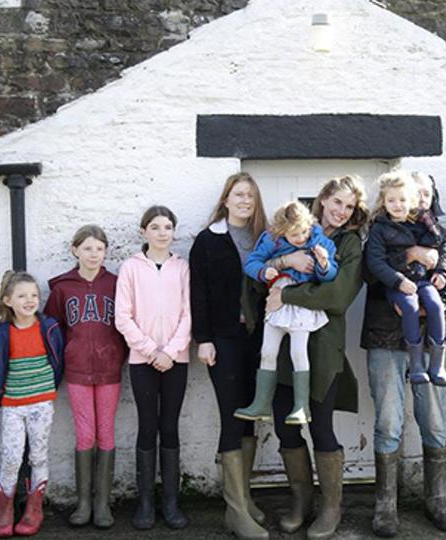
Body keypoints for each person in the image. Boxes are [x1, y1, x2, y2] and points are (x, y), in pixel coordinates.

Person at [256, 175, 368, 540]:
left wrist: (287, 297)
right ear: (323, 199)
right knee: (285, 424)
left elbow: (337, 297)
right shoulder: (294, 229)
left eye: (349, 206)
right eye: (336, 202)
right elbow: (262, 276)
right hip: (283, 346)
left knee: (320, 426)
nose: (341, 211)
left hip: (323, 349)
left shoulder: (350, 244)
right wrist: (287, 258)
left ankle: (331, 507)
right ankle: (301, 500)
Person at [362, 171, 446, 537]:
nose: (420, 197)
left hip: (430, 346)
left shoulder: (444, 238)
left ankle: (437, 500)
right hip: (385, 339)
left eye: (426, 192)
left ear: (431, 196)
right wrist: (407, 256)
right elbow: (370, 274)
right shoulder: (381, 230)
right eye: (414, 191)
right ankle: (385, 507)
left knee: (434, 422)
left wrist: (436, 301)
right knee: (389, 423)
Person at [189, 173, 270, 540]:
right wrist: (203, 339)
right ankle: (234, 511)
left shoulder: (264, 237)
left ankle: (246, 498)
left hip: (258, 338)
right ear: (225, 199)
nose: (245, 201)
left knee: (252, 416)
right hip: (223, 339)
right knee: (232, 417)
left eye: (250, 196)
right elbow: (198, 294)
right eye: (239, 195)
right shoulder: (208, 240)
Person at [44, 225, 127, 529]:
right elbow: (53, 330)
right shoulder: (62, 289)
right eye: (88, 248)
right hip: (77, 370)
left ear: (106, 252)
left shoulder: (117, 284)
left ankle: (103, 504)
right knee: (84, 434)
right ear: (75, 250)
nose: (94, 254)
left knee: (106, 432)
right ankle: (83, 503)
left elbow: (127, 322)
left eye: (100, 248)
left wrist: (120, 354)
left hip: (109, 370)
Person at [115, 205, 192, 530]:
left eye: (168, 227)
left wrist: (171, 352)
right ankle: (145, 503)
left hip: (176, 360)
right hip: (142, 361)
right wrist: (150, 351)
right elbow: (123, 316)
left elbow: (189, 314)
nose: (163, 233)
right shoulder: (130, 267)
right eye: (156, 227)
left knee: (170, 426)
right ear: (144, 231)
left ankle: (171, 502)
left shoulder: (182, 268)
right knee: (147, 425)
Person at [234, 201, 337, 425]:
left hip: (301, 302)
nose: (300, 238)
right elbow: (251, 263)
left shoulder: (319, 241)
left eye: (303, 232)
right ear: (282, 231)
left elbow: (329, 275)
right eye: (293, 234)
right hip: (277, 300)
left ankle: (302, 406)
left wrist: (323, 263)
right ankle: (261, 403)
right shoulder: (272, 239)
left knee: (298, 353)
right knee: (267, 350)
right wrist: (264, 270)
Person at [0, 271, 64, 538]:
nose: (30, 301)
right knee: (10, 457)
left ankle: (34, 508)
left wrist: (48, 389)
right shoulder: (0, 332)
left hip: (41, 403)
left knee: (38, 455)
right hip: (12, 405)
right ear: (8, 300)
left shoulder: (48, 327)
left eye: (34, 295)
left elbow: (57, 363)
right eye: (22, 296)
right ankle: (5, 508)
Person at [365, 171, 446, 387]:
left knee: (435, 304)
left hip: (422, 280)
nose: (397, 205)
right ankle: (416, 366)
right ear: (383, 201)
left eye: (403, 199)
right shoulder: (379, 228)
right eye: (391, 200)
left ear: (411, 200)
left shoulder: (425, 223)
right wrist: (399, 278)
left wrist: (442, 271)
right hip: (398, 284)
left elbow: (443, 247)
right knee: (410, 307)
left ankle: (437, 365)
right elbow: (375, 264)